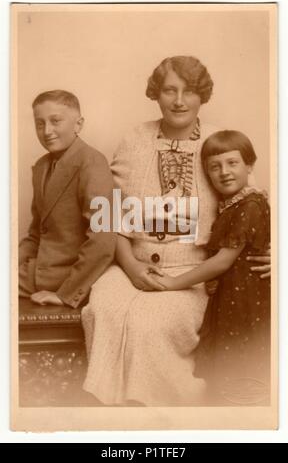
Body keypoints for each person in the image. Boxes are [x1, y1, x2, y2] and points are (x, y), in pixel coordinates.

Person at [81, 56, 270, 406]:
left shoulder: (219, 142)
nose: (179, 100)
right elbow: (109, 215)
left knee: (148, 325)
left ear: (203, 97)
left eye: (190, 91)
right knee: (102, 308)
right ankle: (110, 415)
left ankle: (162, 415)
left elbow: (253, 205)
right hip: (130, 263)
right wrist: (132, 267)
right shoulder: (133, 138)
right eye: (170, 90)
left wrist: (276, 251)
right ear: (156, 94)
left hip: (192, 272)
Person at [156, 130, 271, 405]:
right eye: (214, 167)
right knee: (227, 376)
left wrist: (173, 282)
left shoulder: (251, 205)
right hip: (232, 297)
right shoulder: (233, 204)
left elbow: (223, 260)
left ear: (250, 165)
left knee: (244, 373)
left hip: (248, 302)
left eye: (233, 163)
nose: (224, 172)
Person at [19, 90, 116, 308]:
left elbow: (103, 239)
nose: (47, 131)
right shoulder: (42, 166)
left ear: (78, 124)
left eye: (55, 121)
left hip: (70, 277)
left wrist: (66, 294)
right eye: (40, 123)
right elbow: (36, 233)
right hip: (39, 270)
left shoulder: (93, 163)